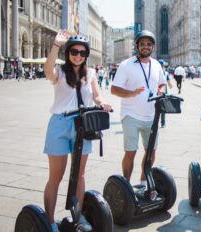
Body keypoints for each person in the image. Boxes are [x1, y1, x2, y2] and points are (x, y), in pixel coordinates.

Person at [43, 30, 112, 232]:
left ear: (86, 55)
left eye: (82, 53)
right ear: (68, 53)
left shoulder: (90, 74)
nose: (78, 55)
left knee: (80, 175)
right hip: (60, 123)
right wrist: (56, 45)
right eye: (74, 51)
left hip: (83, 125)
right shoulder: (60, 72)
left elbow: (97, 95)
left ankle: (78, 216)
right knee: (56, 176)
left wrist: (104, 103)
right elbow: (48, 70)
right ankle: (49, 221)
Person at [111, 30, 166, 187]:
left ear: (153, 47)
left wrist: (161, 91)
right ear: (137, 46)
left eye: (148, 44)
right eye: (142, 44)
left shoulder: (156, 64)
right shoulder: (126, 65)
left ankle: (142, 182)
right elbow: (114, 89)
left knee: (151, 152)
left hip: (151, 116)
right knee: (131, 151)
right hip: (131, 115)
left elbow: (162, 82)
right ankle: (125, 186)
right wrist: (132, 93)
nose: (145, 47)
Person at [158, 59, 173, 128]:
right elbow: (169, 84)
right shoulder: (165, 73)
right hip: (163, 92)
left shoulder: (154, 72)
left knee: (154, 108)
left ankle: (154, 122)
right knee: (163, 109)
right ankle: (163, 123)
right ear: (163, 65)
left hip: (155, 93)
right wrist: (170, 86)